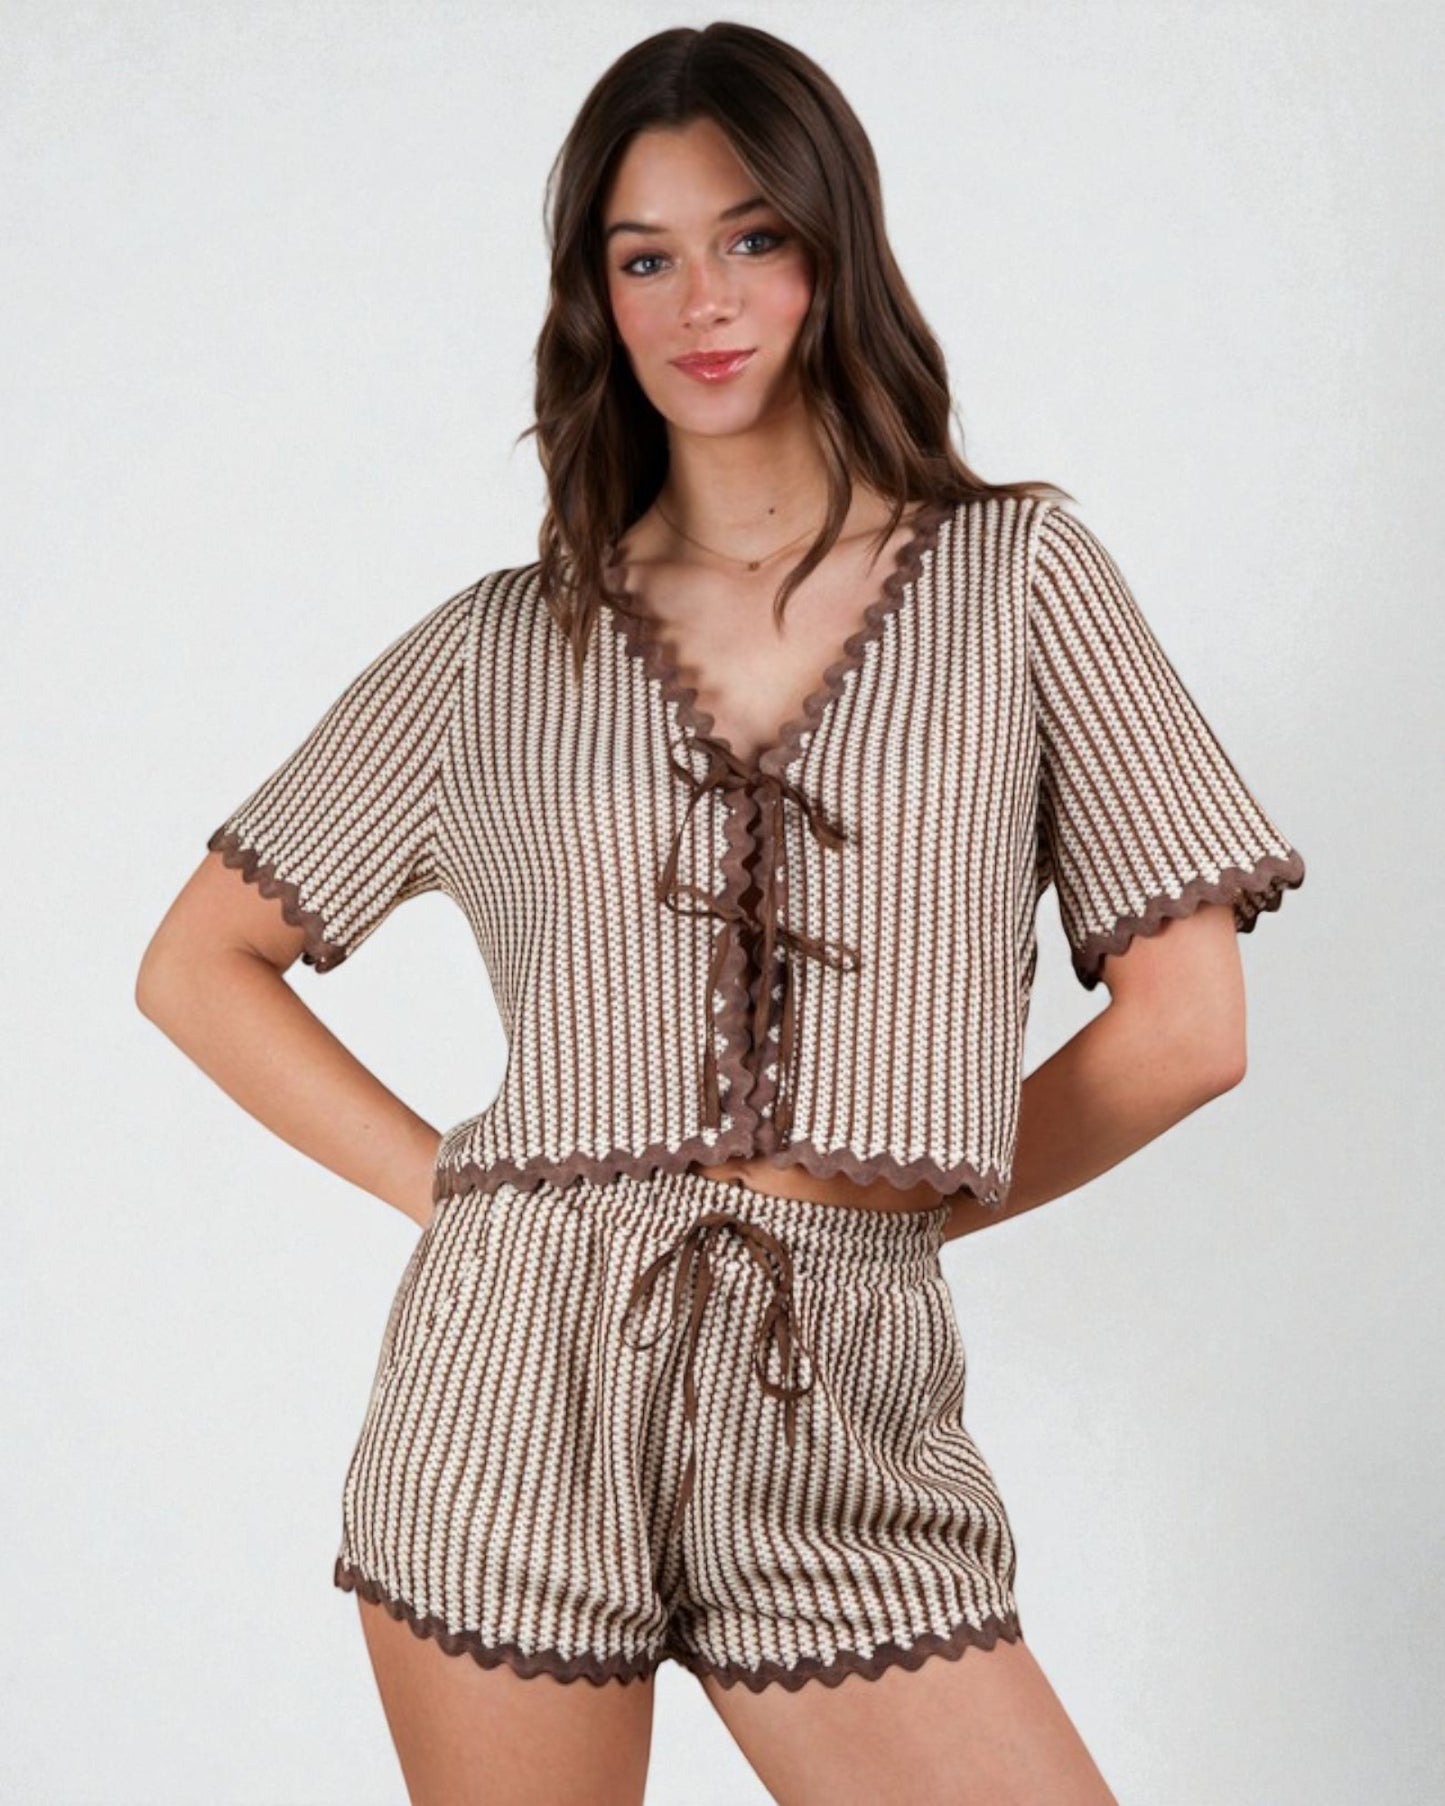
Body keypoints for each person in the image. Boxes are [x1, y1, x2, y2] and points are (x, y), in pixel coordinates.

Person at [137, 21, 1305, 1806]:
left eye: (753, 237)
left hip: (835, 1386)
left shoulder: (1020, 577)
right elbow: (197, 963)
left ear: (835, 248)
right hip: (511, 1383)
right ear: (594, 298)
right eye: (645, 256)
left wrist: (897, 1212)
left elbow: (1185, 1030)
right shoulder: (496, 646)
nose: (704, 298)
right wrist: (460, 1199)